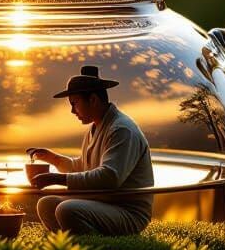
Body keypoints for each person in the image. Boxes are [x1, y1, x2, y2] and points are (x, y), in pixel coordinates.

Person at [28, 65, 154, 235]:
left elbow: (109, 177)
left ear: (93, 100)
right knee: (46, 204)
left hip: (127, 212)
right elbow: (84, 167)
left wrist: (57, 179)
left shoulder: (121, 130)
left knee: (67, 209)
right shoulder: (96, 127)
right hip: (102, 204)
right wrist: (53, 159)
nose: (72, 111)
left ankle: (95, 246)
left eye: (74, 103)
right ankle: (70, 242)